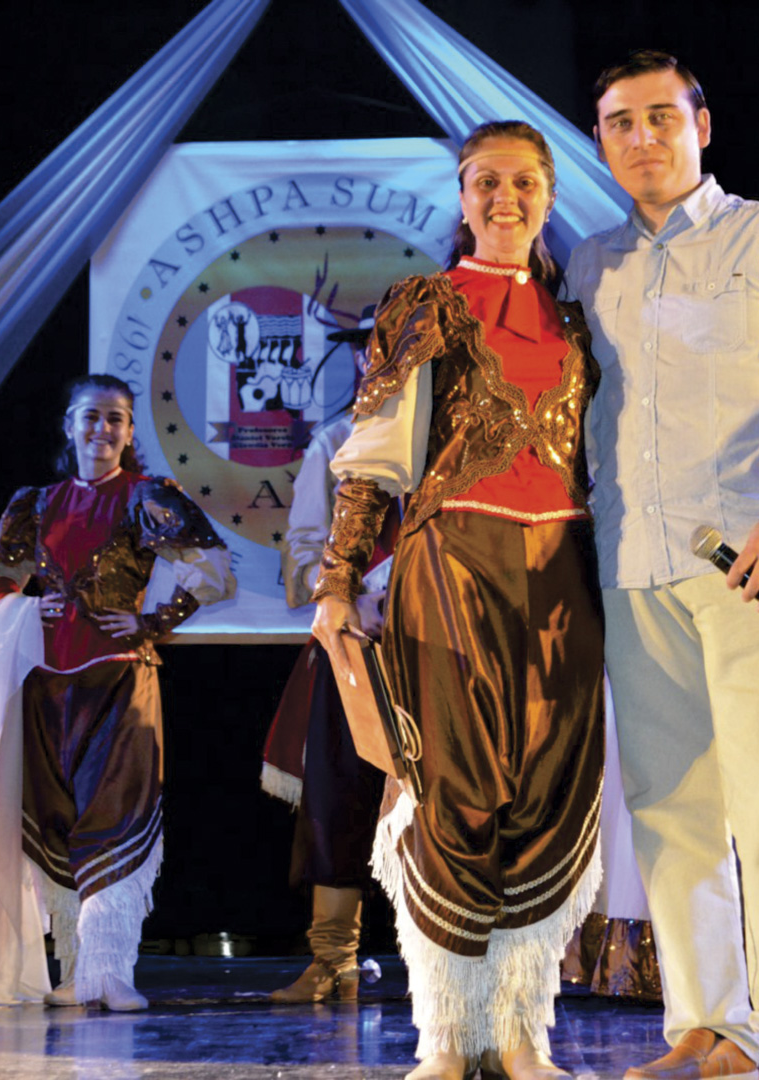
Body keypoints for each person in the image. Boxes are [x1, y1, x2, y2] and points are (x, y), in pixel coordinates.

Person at [566, 51, 759, 1080]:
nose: (642, 137)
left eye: (661, 116)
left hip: (749, 560)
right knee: (669, 807)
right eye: (620, 122)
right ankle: (709, 1028)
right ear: (600, 142)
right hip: (631, 565)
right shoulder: (588, 264)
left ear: (703, 125)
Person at [311, 120, 604, 1080]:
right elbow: (372, 455)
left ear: (549, 197)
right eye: (486, 181)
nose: (504, 198)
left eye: (523, 182)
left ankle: (518, 1035)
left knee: (547, 793)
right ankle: (447, 1036)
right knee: (452, 790)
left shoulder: (578, 320)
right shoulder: (425, 302)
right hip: (452, 565)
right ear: (463, 195)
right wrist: (338, 578)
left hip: (562, 575)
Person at [0, 374, 234, 1010]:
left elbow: (214, 569)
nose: (101, 429)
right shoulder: (36, 503)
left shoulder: (146, 497)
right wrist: (26, 606)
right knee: (56, 823)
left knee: (113, 820)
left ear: (130, 432)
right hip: (45, 688)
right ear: (69, 426)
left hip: (118, 679)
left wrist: (154, 621)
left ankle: (112, 972)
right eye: (90, 416)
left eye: (115, 418)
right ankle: (77, 972)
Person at [261, 308, 394, 1004]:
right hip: (353, 649)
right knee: (338, 797)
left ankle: (454, 965)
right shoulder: (336, 441)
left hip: (439, 641)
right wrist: (356, 595)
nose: (384, 363)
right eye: (375, 352)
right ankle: (332, 959)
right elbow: (305, 547)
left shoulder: (453, 440)